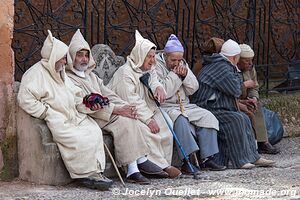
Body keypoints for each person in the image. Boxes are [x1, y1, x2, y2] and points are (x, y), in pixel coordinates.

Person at [66, 29, 168, 184]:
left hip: (105, 112)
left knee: (130, 117)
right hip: (89, 116)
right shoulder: (69, 79)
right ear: (72, 56)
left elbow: (108, 94)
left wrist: (126, 106)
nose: (84, 59)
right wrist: (117, 109)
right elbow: (81, 104)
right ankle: (133, 169)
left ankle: (139, 162)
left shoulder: (91, 76)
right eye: (80, 55)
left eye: (86, 55)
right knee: (125, 122)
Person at [17, 30, 113, 190]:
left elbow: (75, 96)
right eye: (62, 57)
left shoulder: (61, 72)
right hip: (58, 118)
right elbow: (25, 99)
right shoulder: (35, 74)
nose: (64, 61)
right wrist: (45, 112)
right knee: (79, 138)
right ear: (53, 56)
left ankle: (96, 171)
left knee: (93, 130)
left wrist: (87, 104)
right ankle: (84, 174)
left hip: (75, 115)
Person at [191, 39, 275, 169]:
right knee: (236, 119)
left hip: (217, 105)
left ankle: (253, 156)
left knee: (244, 118)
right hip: (207, 107)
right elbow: (236, 90)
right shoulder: (222, 67)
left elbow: (230, 90)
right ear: (236, 57)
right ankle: (241, 160)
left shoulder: (223, 64)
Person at [108, 30, 181, 178]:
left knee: (166, 123)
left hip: (148, 108)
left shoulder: (149, 68)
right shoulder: (125, 73)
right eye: (149, 56)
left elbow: (153, 81)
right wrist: (148, 119)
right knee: (147, 129)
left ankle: (165, 164)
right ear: (140, 55)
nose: (153, 60)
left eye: (154, 56)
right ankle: (155, 165)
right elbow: (131, 100)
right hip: (132, 111)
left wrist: (159, 88)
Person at [155, 34, 226, 172]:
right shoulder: (156, 66)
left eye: (179, 59)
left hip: (185, 105)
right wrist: (175, 75)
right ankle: (188, 159)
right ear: (165, 55)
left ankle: (208, 158)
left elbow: (194, 88)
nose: (176, 63)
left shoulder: (182, 63)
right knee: (180, 120)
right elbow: (164, 92)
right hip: (167, 107)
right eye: (172, 60)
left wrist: (185, 75)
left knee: (207, 116)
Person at [237, 44, 280, 154]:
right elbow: (231, 89)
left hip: (246, 98)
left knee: (256, 107)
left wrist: (253, 97)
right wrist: (244, 85)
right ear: (238, 60)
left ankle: (263, 143)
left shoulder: (250, 68)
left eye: (251, 60)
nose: (250, 63)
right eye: (247, 61)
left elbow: (254, 86)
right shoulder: (232, 69)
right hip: (235, 100)